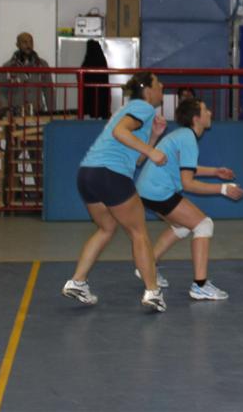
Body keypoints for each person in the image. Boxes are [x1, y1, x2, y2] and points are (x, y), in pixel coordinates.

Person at [62, 72, 169, 312]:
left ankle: (77, 282)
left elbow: (136, 159)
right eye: (158, 84)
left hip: (88, 174)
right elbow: (119, 132)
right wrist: (153, 152)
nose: (162, 86)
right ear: (147, 90)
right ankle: (153, 291)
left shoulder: (129, 109)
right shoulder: (143, 107)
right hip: (110, 174)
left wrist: (153, 137)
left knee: (106, 228)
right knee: (139, 233)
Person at [135, 97, 243, 301]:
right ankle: (200, 286)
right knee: (204, 225)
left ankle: (146, 267)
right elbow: (188, 184)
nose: (210, 113)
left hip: (146, 191)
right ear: (196, 118)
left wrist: (215, 172)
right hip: (158, 191)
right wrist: (223, 189)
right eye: (205, 110)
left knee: (182, 226)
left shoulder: (183, 135)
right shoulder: (187, 137)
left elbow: (185, 167)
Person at [0, 32, 54, 115]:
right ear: (17, 45)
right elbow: (1, 92)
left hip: (37, 113)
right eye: (24, 42)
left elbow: (49, 91)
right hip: (16, 114)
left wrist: (51, 113)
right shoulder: (8, 67)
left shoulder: (42, 65)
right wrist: (6, 111)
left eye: (31, 42)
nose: (28, 45)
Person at [80, 39, 110, 119]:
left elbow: (82, 73)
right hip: (101, 91)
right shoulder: (101, 59)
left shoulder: (88, 59)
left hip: (90, 91)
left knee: (91, 106)